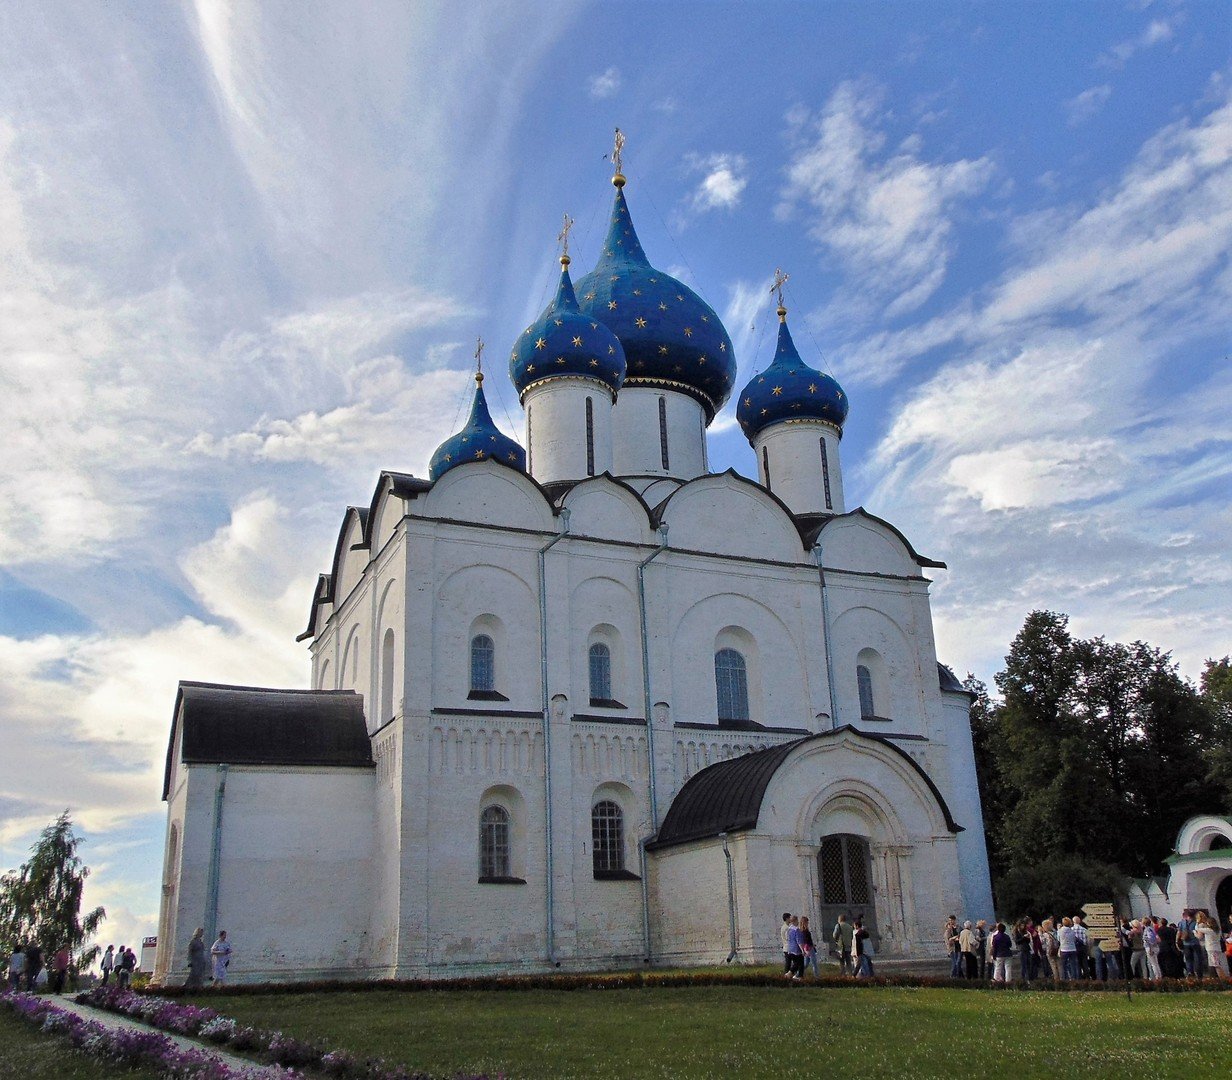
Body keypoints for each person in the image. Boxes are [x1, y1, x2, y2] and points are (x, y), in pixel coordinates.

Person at [1196, 914, 1224, 980]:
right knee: (1215, 964)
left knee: (1216, 965)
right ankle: (1218, 978)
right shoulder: (1217, 930)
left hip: (1212, 949)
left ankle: (1223, 979)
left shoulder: (1209, 930)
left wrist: (1197, 922)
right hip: (1216, 948)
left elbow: (1197, 929)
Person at [786, 916, 804, 980]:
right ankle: (793, 974)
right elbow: (799, 941)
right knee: (799, 962)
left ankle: (796, 975)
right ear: (795, 921)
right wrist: (802, 950)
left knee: (796, 962)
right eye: (797, 921)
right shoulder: (797, 930)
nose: (798, 922)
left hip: (790, 948)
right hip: (796, 949)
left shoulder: (789, 929)